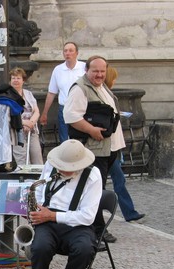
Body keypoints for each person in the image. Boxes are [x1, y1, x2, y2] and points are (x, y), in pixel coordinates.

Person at [19, 140, 102, 269]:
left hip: (77, 224)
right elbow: (41, 189)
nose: (61, 169)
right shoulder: (51, 164)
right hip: (47, 219)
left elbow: (87, 217)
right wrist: (38, 208)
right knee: (40, 246)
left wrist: (53, 216)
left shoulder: (93, 175)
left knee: (85, 249)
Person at [64, 55, 123, 243]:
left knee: (98, 187)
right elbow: (71, 116)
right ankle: (97, 230)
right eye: (95, 71)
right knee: (95, 189)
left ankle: (94, 228)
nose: (99, 74)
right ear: (86, 70)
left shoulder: (102, 86)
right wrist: (91, 130)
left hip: (108, 148)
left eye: (102, 71)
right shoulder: (80, 89)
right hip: (94, 148)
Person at [104, 66, 145, 223]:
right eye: (114, 78)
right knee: (112, 181)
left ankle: (130, 212)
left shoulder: (109, 94)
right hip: (108, 146)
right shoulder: (104, 93)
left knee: (118, 180)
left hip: (113, 145)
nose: (115, 81)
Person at [39, 42, 86, 144]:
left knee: (82, 139)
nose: (67, 53)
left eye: (70, 50)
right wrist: (44, 113)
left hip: (81, 108)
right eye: (65, 51)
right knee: (64, 140)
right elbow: (52, 92)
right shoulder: (58, 70)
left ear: (77, 53)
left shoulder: (84, 67)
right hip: (64, 108)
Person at [9, 67, 43, 165]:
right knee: (21, 159)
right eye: (13, 78)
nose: (15, 80)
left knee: (37, 157)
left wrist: (31, 123)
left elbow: (36, 111)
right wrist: (23, 123)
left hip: (32, 129)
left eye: (18, 78)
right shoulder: (7, 96)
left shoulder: (28, 94)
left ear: (23, 80)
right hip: (17, 130)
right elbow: (8, 115)